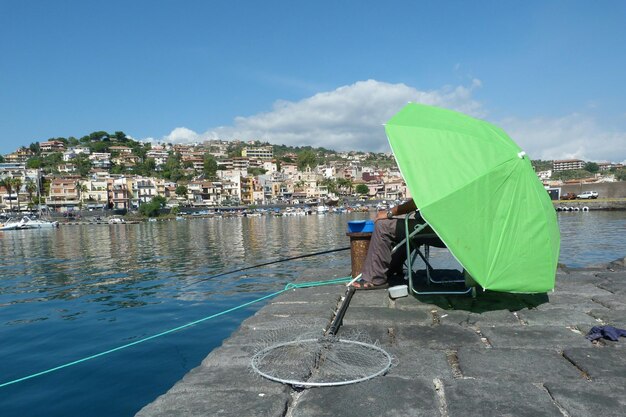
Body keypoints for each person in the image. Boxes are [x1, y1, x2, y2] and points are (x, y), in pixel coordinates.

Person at [351, 198, 418, 289]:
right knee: (408, 233)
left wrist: (389, 213)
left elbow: (419, 201)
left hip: (431, 229)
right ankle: (393, 268)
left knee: (382, 225)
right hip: (442, 236)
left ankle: (375, 278)